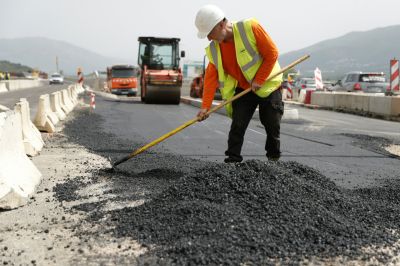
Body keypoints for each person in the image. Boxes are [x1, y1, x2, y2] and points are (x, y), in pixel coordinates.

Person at [194, 5, 284, 163]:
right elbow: (210, 79)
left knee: (271, 124)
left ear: (221, 24)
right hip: (244, 88)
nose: (208, 38)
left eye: (209, 33)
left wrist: (260, 79)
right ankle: (232, 161)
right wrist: (205, 107)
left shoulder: (250, 28)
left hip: (268, 85)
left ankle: (273, 159)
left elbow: (272, 53)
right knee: (238, 125)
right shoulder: (215, 49)